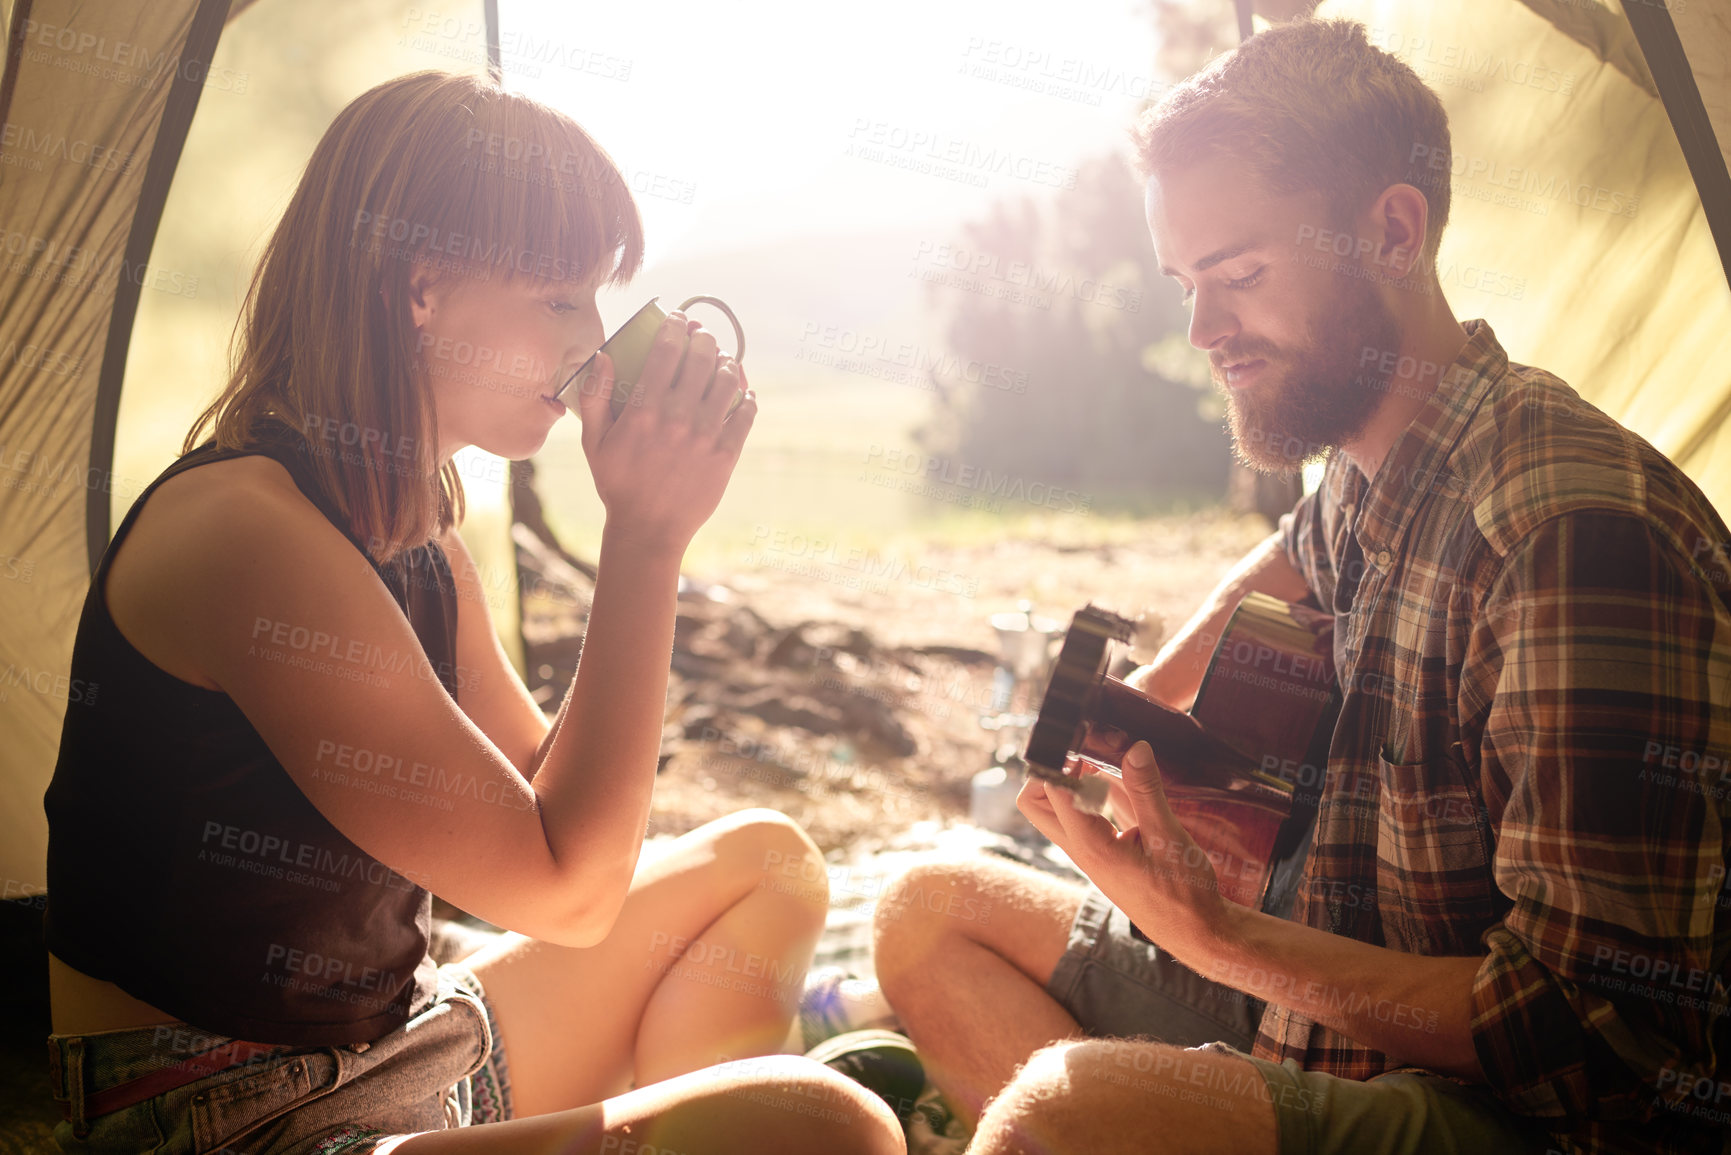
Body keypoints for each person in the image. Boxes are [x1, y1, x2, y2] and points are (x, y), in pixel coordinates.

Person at [866, 18, 1731, 1155]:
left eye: (1241, 276)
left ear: (1392, 231)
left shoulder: (1573, 538)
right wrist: (1138, 724)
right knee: (927, 912)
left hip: (1519, 1110)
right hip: (1319, 999)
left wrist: (1221, 940)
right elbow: (1292, 552)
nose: (1202, 329)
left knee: (1065, 1115)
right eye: (1186, 282)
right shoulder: (1372, 464)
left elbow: (1586, 1036)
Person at [40, 71, 902, 1155]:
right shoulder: (243, 537)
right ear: (422, 289)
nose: (591, 343)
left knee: (769, 864)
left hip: (406, 1057)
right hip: (239, 1122)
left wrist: (649, 527)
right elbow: (569, 895)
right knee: (826, 1128)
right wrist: (644, 542)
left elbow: (550, 811)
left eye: (597, 298)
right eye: (558, 299)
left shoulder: (422, 542)